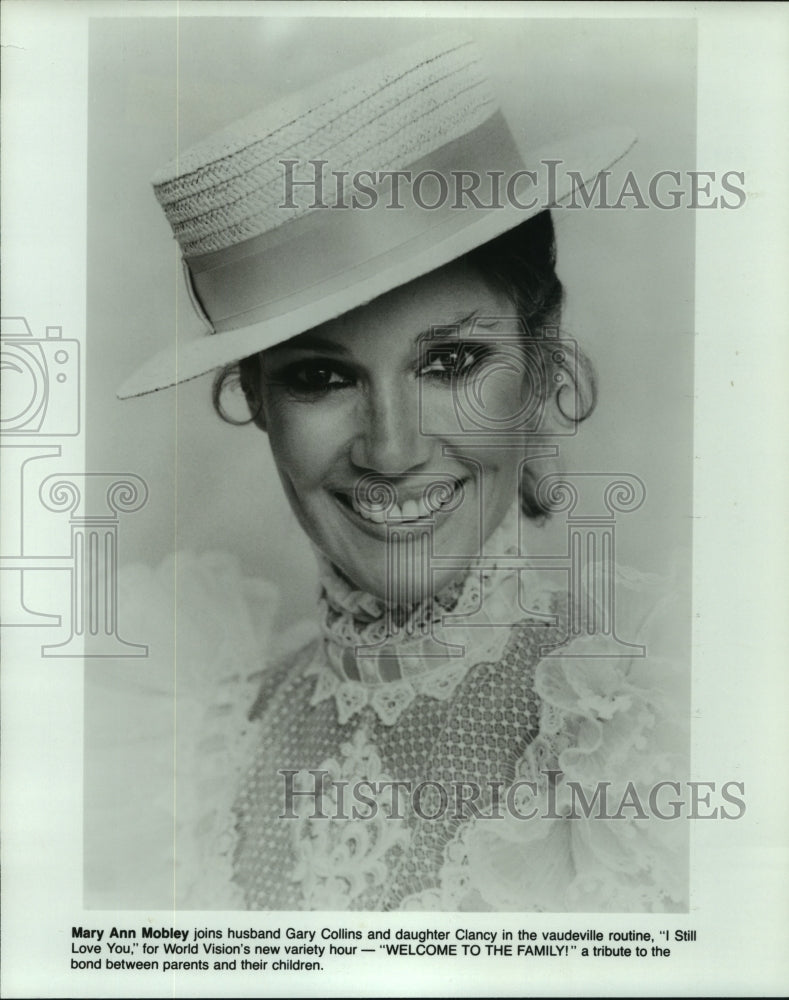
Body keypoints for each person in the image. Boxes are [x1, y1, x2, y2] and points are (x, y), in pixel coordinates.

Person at [94, 31, 689, 912]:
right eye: (320, 376)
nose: (391, 449)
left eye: (449, 363)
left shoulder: (667, 718)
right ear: (255, 398)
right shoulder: (163, 741)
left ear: (538, 358)